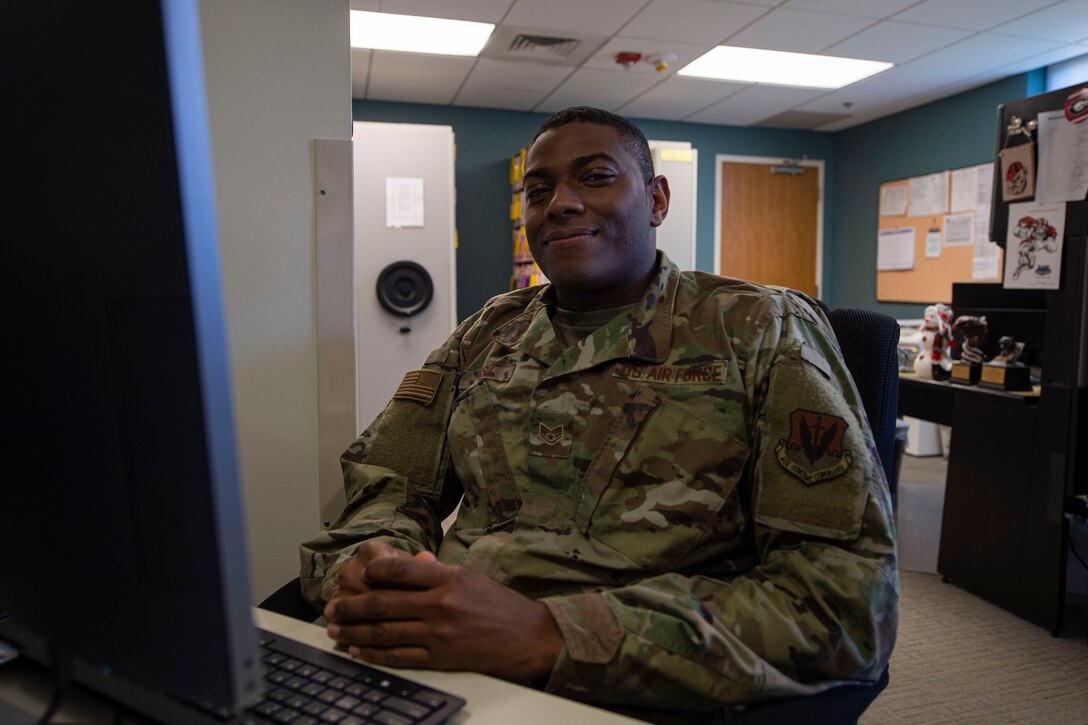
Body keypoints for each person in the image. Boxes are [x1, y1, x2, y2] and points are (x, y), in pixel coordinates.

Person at [299, 106, 898, 719]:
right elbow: (386, 485)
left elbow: (844, 606)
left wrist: (546, 632)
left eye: (595, 177)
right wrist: (375, 569)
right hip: (441, 661)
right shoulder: (486, 333)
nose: (559, 202)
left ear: (657, 199)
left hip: (630, 685)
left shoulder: (759, 328)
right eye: (538, 190)